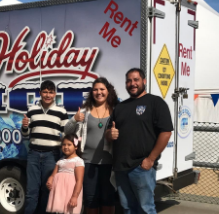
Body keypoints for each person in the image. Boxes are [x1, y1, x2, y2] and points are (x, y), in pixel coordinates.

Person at [106, 68, 173, 214]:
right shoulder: (120, 107)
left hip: (141, 167)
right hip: (120, 167)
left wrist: (151, 158)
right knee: (127, 208)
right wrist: (109, 134)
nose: (132, 83)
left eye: (136, 80)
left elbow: (166, 132)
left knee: (145, 208)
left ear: (143, 81)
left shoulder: (156, 102)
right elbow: (108, 132)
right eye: (129, 81)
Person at [65, 77, 119, 214]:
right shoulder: (84, 111)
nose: (98, 92)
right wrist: (74, 120)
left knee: (108, 199)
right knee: (90, 199)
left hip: (109, 163)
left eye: (102, 89)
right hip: (88, 163)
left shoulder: (116, 111)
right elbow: (67, 131)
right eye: (95, 89)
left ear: (108, 91)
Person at [21, 80, 69, 214]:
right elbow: (26, 134)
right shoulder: (32, 110)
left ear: (55, 94)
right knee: (32, 192)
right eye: (45, 92)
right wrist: (24, 126)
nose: (48, 95)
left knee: (47, 191)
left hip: (51, 156)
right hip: (33, 155)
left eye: (51, 92)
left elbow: (66, 134)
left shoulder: (61, 111)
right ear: (40, 93)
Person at [46, 134, 85, 214]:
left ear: (76, 147)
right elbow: (53, 174)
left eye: (69, 145)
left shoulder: (78, 161)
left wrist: (75, 196)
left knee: (69, 211)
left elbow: (79, 181)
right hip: (59, 193)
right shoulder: (60, 161)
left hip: (70, 193)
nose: (66, 147)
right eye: (64, 144)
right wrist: (50, 179)